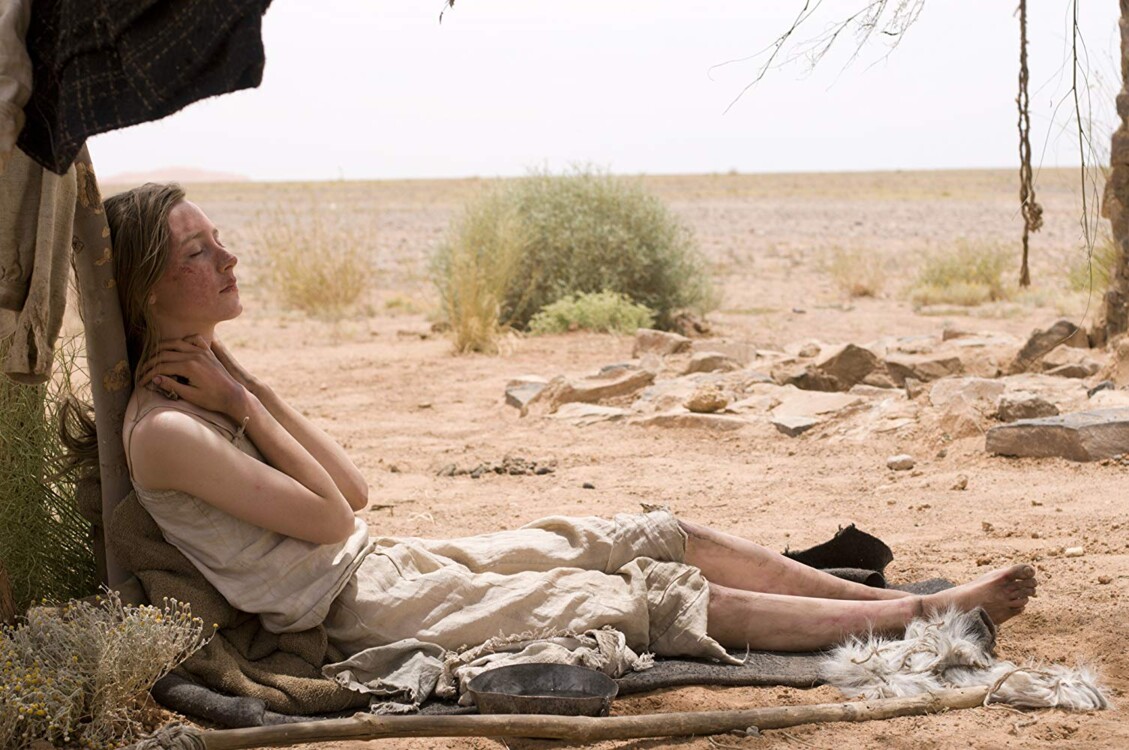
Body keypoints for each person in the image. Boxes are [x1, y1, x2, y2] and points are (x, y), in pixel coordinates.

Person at [103, 182, 1036, 666]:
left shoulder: (212, 385)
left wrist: (248, 389)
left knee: (644, 534)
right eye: (199, 251)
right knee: (626, 600)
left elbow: (355, 492)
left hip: (386, 561)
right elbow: (330, 519)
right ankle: (916, 615)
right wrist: (240, 406)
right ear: (147, 285)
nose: (229, 258)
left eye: (219, 239)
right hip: (356, 608)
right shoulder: (169, 431)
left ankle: (870, 604)